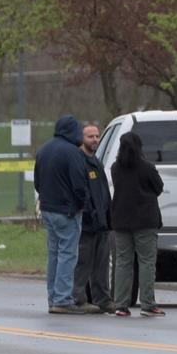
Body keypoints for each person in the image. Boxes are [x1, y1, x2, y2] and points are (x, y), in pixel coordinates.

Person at [34, 115, 89, 314]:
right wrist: (81, 204)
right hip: (67, 211)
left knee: (54, 254)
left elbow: (37, 183)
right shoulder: (72, 153)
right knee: (68, 255)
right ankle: (63, 299)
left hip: (48, 209)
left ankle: (53, 297)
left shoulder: (43, 150)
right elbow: (79, 185)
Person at [110, 132, 166, 318]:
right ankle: (148, 304)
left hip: (121, 221)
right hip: (145, 221)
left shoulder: (115, 168)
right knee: (146, 262)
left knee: (123, 262)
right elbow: (158, 187)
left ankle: (120, 304)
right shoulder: (147, 167)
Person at [73, 123, 113, 314]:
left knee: (102, 264)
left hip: (102, 224)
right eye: (91, 136)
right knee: (83, 263)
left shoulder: (97, 161)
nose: (95, 140)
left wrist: (107, 215)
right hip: (88, 224)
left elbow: (104, 192)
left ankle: (103, 299)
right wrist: (89, 214)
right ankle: (79, 299)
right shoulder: (79, 162)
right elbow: (81, 192)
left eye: (97, 136)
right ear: (82, 139)